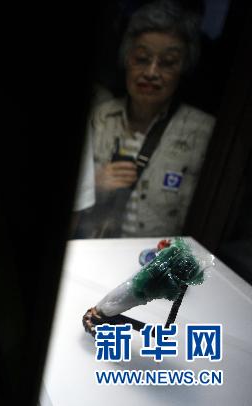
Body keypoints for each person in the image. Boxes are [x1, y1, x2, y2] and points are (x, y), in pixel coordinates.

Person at [85, 0, 215, 238]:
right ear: (127, 59)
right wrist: (93, 183)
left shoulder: (204, 133)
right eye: (142, 58)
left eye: (168, 63)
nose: (151, 73)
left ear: (184, 67)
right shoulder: (99, 117)